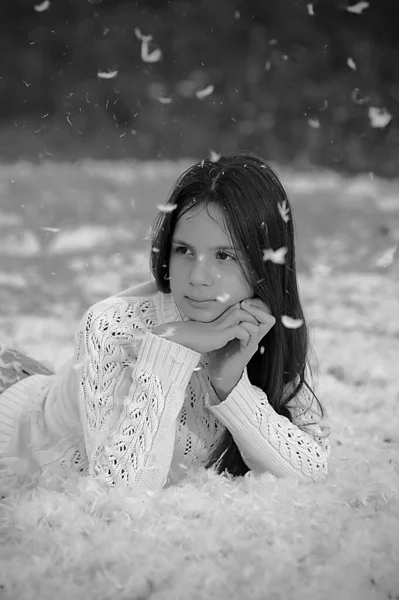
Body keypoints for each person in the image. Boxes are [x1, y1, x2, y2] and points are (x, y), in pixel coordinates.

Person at [0, 153, 331, 493]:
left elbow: (312, 468)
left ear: (264, 263)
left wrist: (230, 384)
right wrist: (168, 346)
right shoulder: (112, 325)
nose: (198, 277)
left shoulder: (262, 326)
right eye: (184, 251)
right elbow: (120, 496)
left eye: (224, 255)